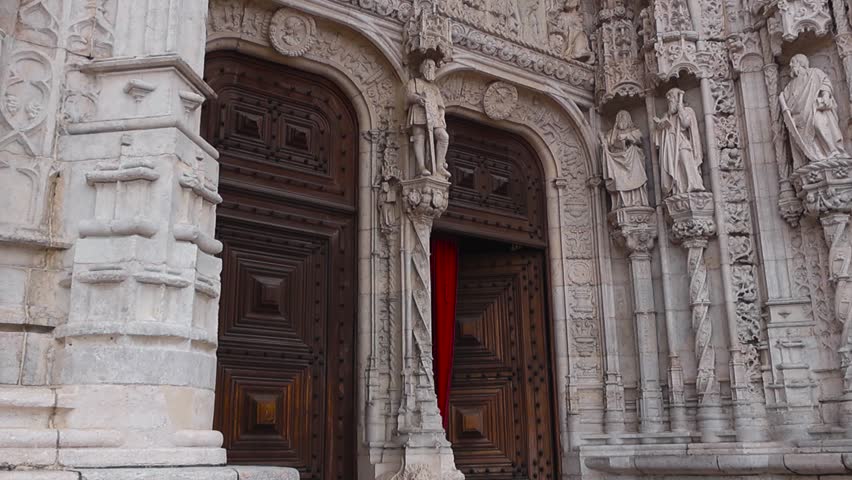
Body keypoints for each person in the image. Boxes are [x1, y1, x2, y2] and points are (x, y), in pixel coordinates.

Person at [780, 54, 848, 168]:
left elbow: (825, 83)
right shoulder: (789, 86)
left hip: (815, 109)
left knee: (819, 123)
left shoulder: (814, 73)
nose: (790, 65)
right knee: (807, 134)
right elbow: (787, 103)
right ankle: (816, 156)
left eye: (793, 62)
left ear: (801, 63)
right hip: (800, 118)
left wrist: (825, 94)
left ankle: (834, 151)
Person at [654, 88, 705, 196]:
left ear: (677, 100)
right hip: (670, 145)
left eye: (671, 99)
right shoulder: (667, 116)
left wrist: (680, 106)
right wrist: (661, 126)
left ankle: (693, 184)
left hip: (682, 142)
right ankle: (678, 189)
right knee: (675, 168)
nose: (669, 102)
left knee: (686, 161)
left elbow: (686, 123)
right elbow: (658, 135)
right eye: (668, 101)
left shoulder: (687, 110)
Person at [406, 59, 450, 179]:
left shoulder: (434, 88)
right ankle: (421, 167)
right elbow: (409, 95)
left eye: (433, 67)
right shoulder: (414, 82)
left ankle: (439, 165)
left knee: (443, 136)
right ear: (422, 68)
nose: (431, 69)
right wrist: (418, 99)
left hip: (434, 114)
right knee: (419, 136)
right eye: (428, 66)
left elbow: (441, 105)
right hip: (419, 111)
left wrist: (441, 115)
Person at [601, 110, 649, 208]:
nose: (622, 120)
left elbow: (639, 137)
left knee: (636, 176)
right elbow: (609, 143)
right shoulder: (612, 133)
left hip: (632, 160)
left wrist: (626, 136)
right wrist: (605, 144)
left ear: (628, 119)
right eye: (620, 117)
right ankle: (622, 202)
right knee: (619, 180)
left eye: (624, 117)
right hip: (618, 161)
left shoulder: (633, 130)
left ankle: (636, 200)